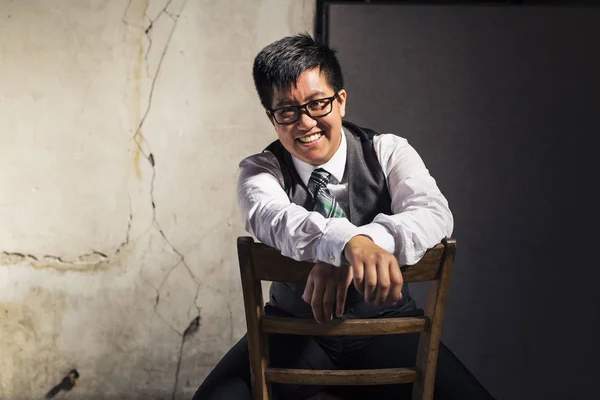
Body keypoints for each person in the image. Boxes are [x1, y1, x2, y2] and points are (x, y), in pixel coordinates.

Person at [193, 33, 493, 400]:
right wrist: (345, 244)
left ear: (341, 101)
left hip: (388, 330)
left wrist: (365, 244)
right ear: (272, 118)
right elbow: (273, 218)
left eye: (318, 103)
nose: (305, 123)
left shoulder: (389, 151)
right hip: (294, 334)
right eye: (287, 111)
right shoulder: (260, 171)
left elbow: (433, 213)